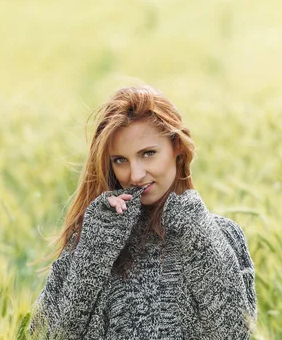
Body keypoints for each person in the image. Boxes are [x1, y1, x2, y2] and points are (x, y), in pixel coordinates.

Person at [29, 85, 257, 339]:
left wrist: (195, 228)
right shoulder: (92, 237)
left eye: (148, 154)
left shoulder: (223, 235)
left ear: (177, 147)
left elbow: (235, 334)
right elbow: (46, 334)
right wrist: (95, 246)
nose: (135, 175)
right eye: (120, 160)